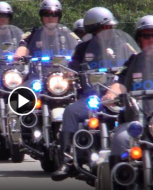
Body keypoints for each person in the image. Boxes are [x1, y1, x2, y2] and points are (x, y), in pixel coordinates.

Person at [51, 7, 138, 181]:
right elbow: (73, 66)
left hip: (121, 96)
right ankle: (67, 160)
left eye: (109, 27)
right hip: (94, 96)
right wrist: (69, 74)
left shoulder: (124, 45)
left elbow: (139, 58)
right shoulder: (83, 48)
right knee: (71, 111)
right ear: (92, 31)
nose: (107, 31)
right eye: (102, 28)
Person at [101, 15, 153, 168]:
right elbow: (119, 83)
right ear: (139, 39)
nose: (152, 39)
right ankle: (121, 179)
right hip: (139, 120)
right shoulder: (133, 61)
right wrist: (111, 94)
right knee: (121, 138)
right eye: (146, 36)